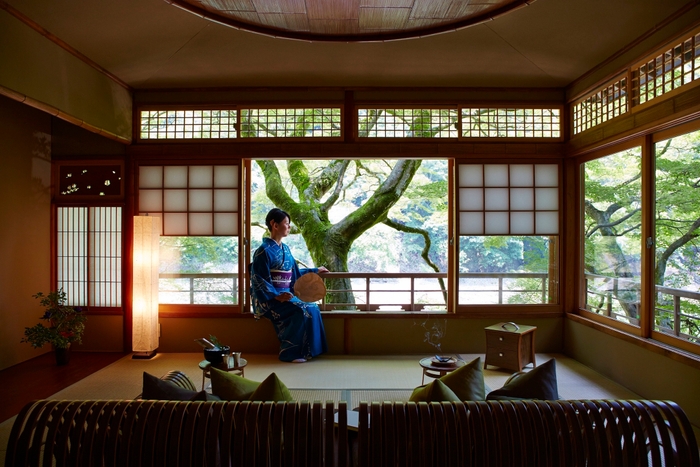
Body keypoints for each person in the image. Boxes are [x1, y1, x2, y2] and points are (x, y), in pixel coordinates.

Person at [250, 208, 329, 363]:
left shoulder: (286, 249)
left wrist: (315, 270)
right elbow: (258, 279)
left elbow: (295, 274)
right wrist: (276, 295)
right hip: (270, 299)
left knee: (312, 306)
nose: (289, 227)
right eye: (287, 223)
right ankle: (289, 353)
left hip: (286, 295)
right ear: (275, 225)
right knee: (302, 310)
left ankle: (309, 351)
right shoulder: (262, 251)